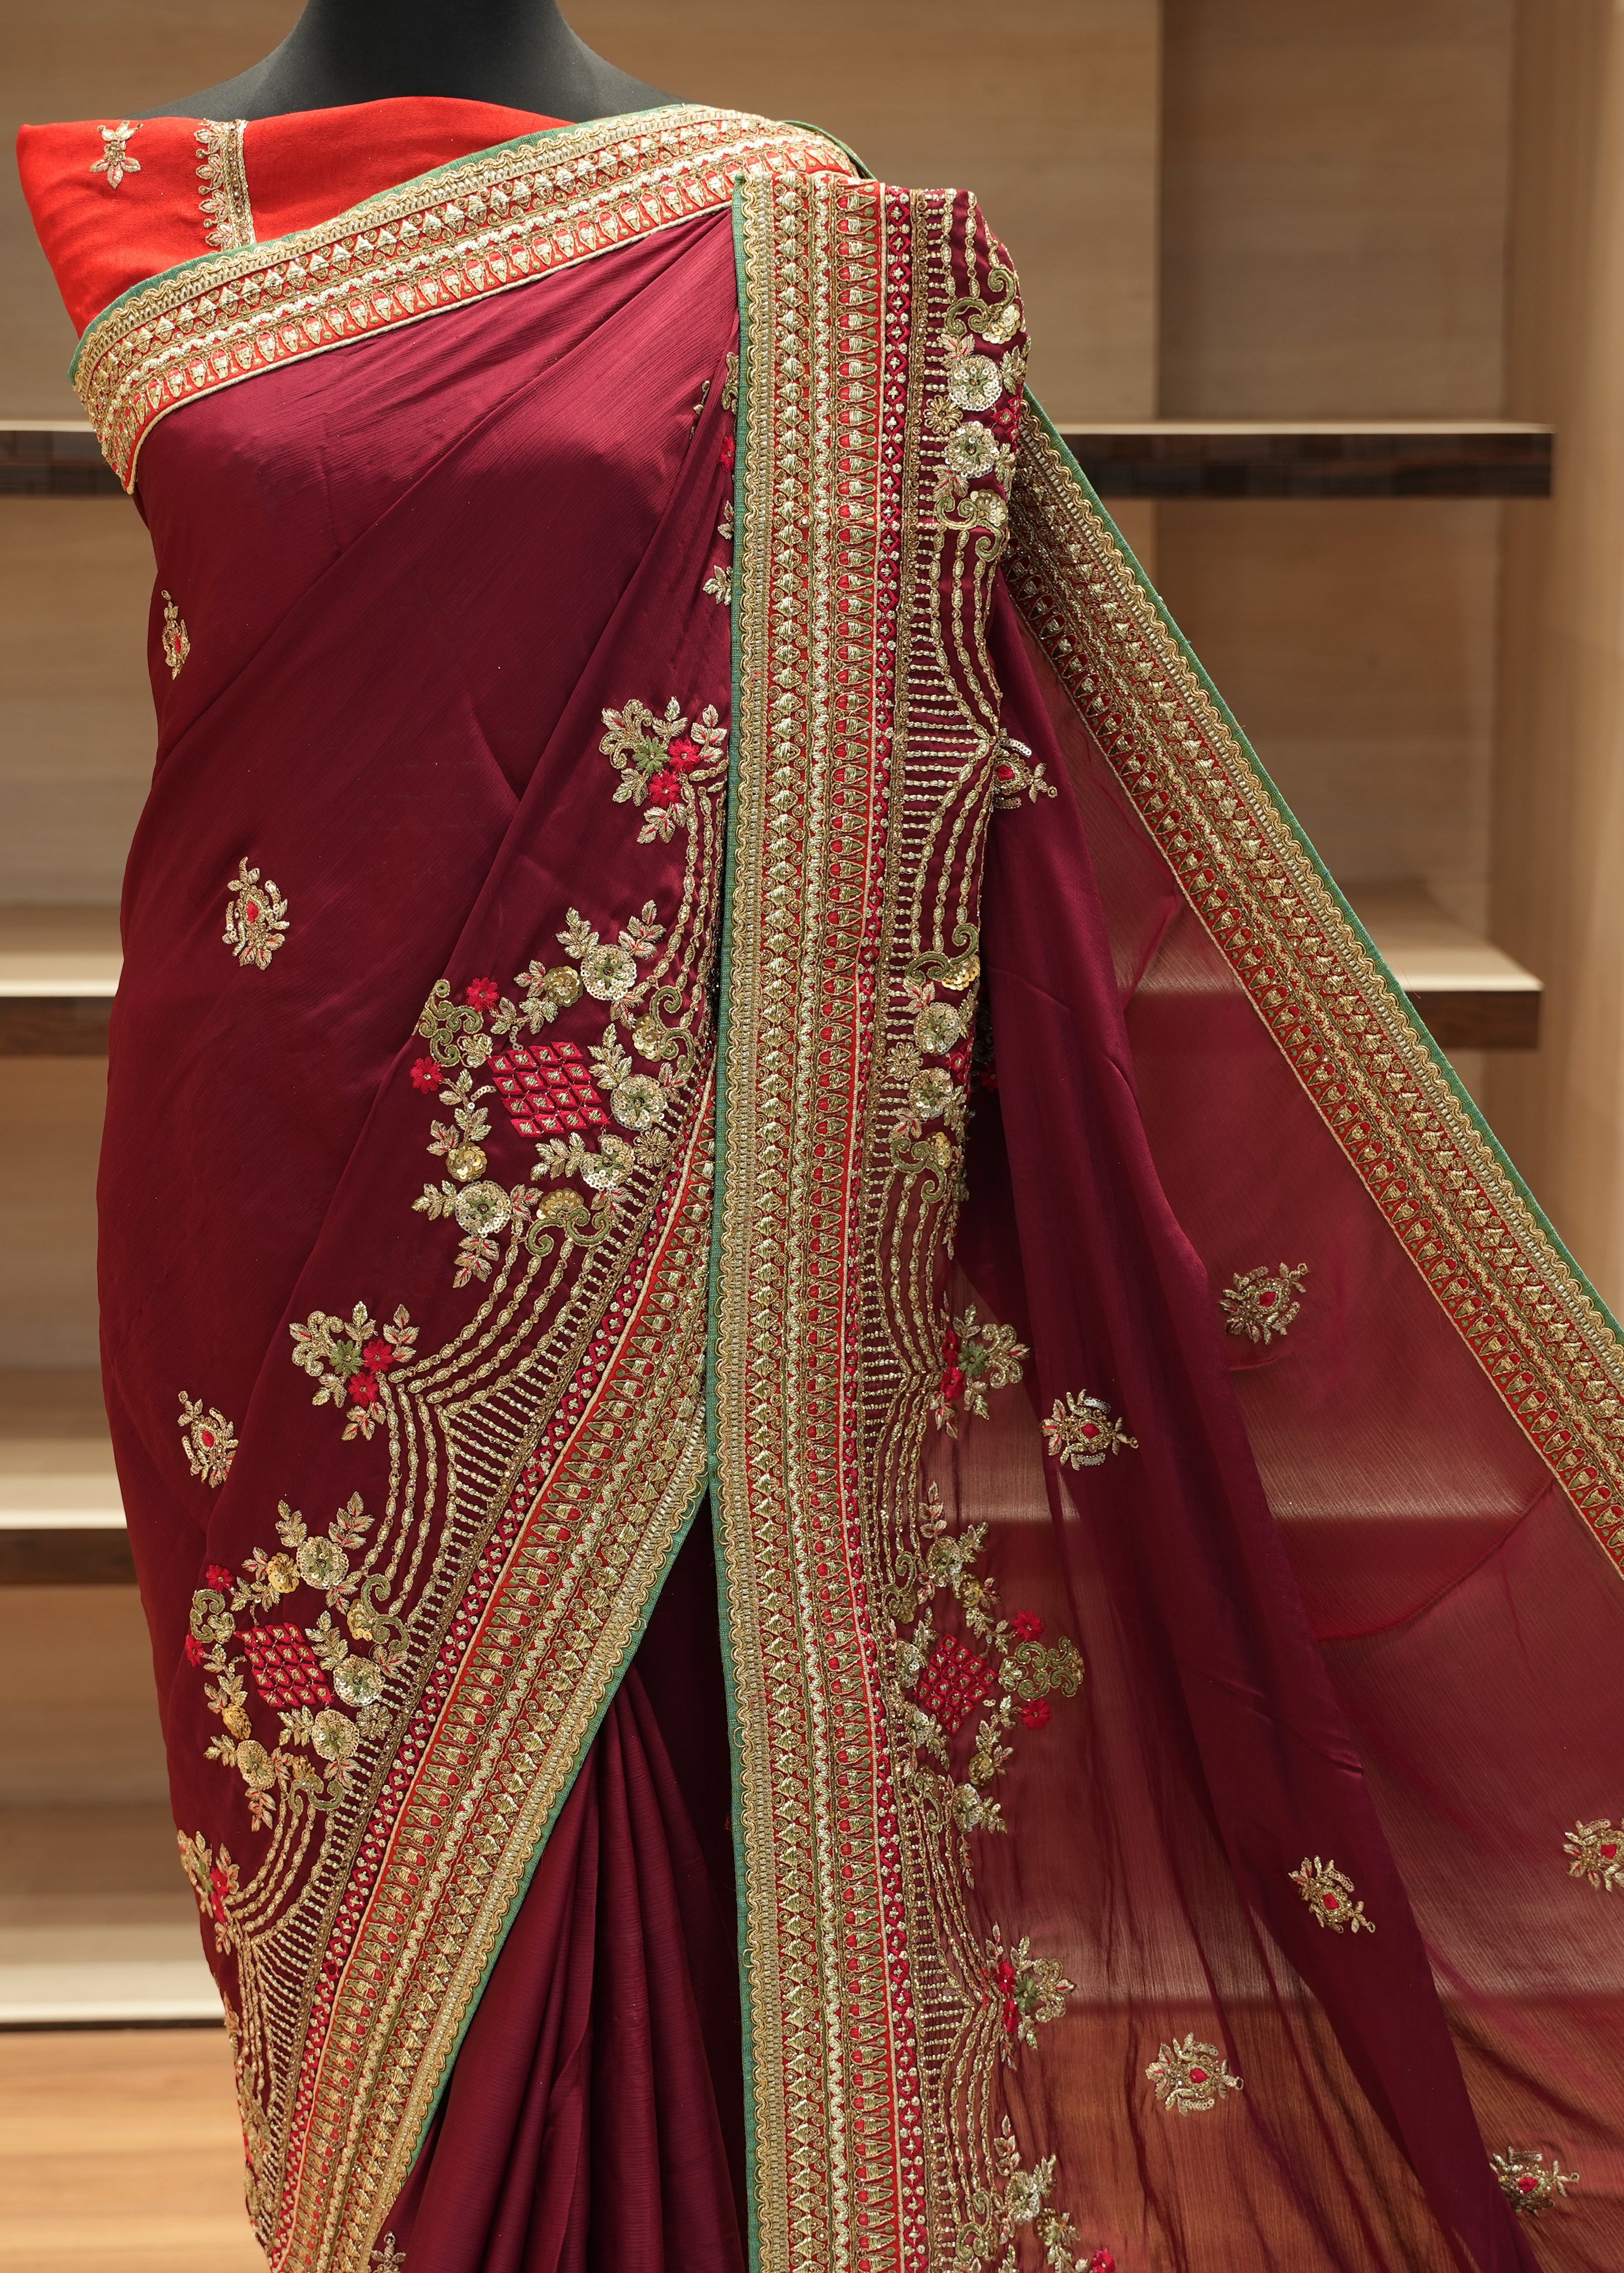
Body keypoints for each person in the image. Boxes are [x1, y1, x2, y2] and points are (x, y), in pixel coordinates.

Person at [18, 7, 1618, 2267]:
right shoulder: (157, 213)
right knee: (340, 1903)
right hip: (243, 1177)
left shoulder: (777, 225)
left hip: (660, 1214)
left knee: (631, 1846)